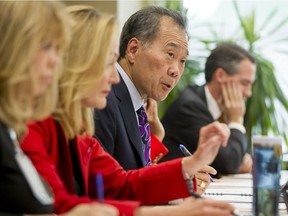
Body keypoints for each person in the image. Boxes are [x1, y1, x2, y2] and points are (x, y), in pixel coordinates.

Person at [21, 5, 236, 216]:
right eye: (107, 63)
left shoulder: (76, 128)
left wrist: (192, 162)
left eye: (182, 61)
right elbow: (65, 205)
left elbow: (119, 182)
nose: (114, 77)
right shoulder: (38, 123)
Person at [0, 1, 118, 216]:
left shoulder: (8, 127)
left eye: (58, 49)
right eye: (46, 46)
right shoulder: (32, 125)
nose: (56, 61)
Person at [93, 6, 190, 170]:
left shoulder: (137, 105)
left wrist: (155, 139)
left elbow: (131, 172)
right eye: (170, 54)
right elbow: (109, 185)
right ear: (133, 50)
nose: (175, 71)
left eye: (182, 61)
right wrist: (177, 176)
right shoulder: (104, 96)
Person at [161, 43, 256, 176]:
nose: (248, 93)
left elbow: (242, 157)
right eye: (245, 83)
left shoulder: (225, 108)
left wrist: (239, 159)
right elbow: (228, 164)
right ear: (221, 75)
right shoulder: (189, 106)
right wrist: (236, 120)